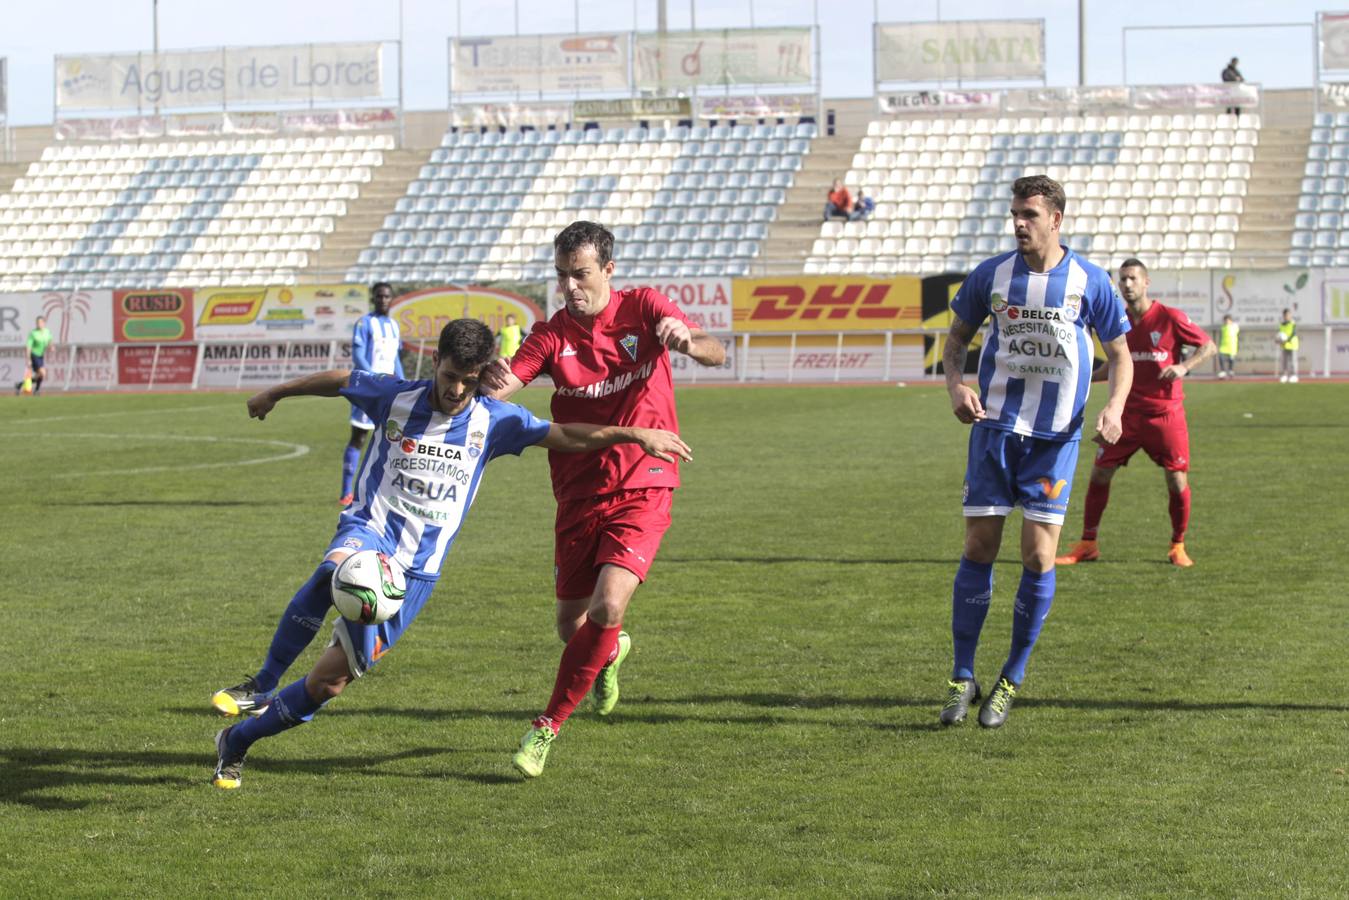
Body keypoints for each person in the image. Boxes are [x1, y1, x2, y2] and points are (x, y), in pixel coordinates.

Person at [209, 318, 692, 789]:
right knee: (335, 570)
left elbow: (563, 435)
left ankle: (236, 741)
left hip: (417, 573)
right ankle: (263, 682)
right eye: (449, 377)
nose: (457, 390)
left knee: (328, 684)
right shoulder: (394, 397)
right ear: (434, 361)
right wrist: (276, 392)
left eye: (469, 380)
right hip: (370, 530)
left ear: (483, 375)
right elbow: (341, 381)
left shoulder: (496, 420)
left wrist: (635, 434)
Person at [479, 220, 727, 778]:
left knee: (608, 605)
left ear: (608, 270)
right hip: (577, 490)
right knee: (574, 627)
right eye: (562, 275)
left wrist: (688, 341)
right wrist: (479, 381)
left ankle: (544, 730)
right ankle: (611, 652)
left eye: (581, 274)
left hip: (646, 478)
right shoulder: (550, 335)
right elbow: (505, 387)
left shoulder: (644, 308)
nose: (570, 286)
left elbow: (715, 352)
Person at [938, 175, 1133, 730]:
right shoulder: (991, 275)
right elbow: (954, 343)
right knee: (979, 545)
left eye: (1029, 214)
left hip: (1055, 438)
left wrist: (1115, 408)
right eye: (1014, 214)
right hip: (994, 429)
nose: (1019, 224)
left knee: (1039, 557)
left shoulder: (1089, 281)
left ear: (1056, 220)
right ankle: (961, 675)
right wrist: (956, 386)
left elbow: (1121, 357)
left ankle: (1010, 678)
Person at [1056, 258, 1216, 570]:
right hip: (1126, 416)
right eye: (1122, 279)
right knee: (1100, 472)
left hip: (1165, 416)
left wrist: (1184, 366)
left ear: (1146, 282)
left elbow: (1208, 347)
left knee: (1176, 480)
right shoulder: (1120, 322)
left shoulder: (1170, 318)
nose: (1127, 285)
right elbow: (1114, 365)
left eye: (1132, 279)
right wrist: (1082, 377)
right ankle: (1088, 543)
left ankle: (1177, 544)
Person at [340, 282, 403, 508]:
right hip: (369, 388)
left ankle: (386, 490)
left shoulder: (394, 326)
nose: (383, 300)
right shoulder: (364, 323)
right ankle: (346, 491)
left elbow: (395, 358)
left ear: (391, 299)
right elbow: (358, 354)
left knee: (392, 438)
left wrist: (403, 382)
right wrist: (372, 379)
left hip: (390, 390)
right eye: (379, 296)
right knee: (359, 437)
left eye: (387, 296)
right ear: (373, 299)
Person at [13, 316, 52, 396]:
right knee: (43, 373)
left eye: (40, 322)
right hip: (34, 355)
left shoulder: (47, 332)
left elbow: (49, 341)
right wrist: (28, 359)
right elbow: (28, 347)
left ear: (44, 323)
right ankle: (36, 390)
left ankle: (20, 385)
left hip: (41, 355)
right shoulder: (33, 333)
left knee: (39, 375)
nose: (39, 324)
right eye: (37, 323)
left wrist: (51, 347)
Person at [1275, 308, 1299, 383]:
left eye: (1288, 315)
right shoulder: (1281, 324)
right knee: (1284, 361)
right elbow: (1279, 334)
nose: (1287, 316)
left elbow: (1293, 333)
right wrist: (1278, 340)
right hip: (1284, 345)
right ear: (1283, 316)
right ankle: (1284, 375)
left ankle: (1294, 375)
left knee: (1293, 361)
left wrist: (1286, 339)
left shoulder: (1293, 323)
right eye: (1285, 315)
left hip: (1292, 345)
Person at [1218, 314, 1239, 379]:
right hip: (1223, 346)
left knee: (1231, 360)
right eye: (1225, 321)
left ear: (1230, 321)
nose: (1226, 322)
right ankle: (1223, 371)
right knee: (1221, 358)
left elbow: (1237, 329)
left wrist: (1232, 323)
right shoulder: (1223, 328)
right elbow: (1221, 336)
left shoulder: (1235, 327)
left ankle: (1230, 371)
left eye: (1228, 320)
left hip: (1232, 346)